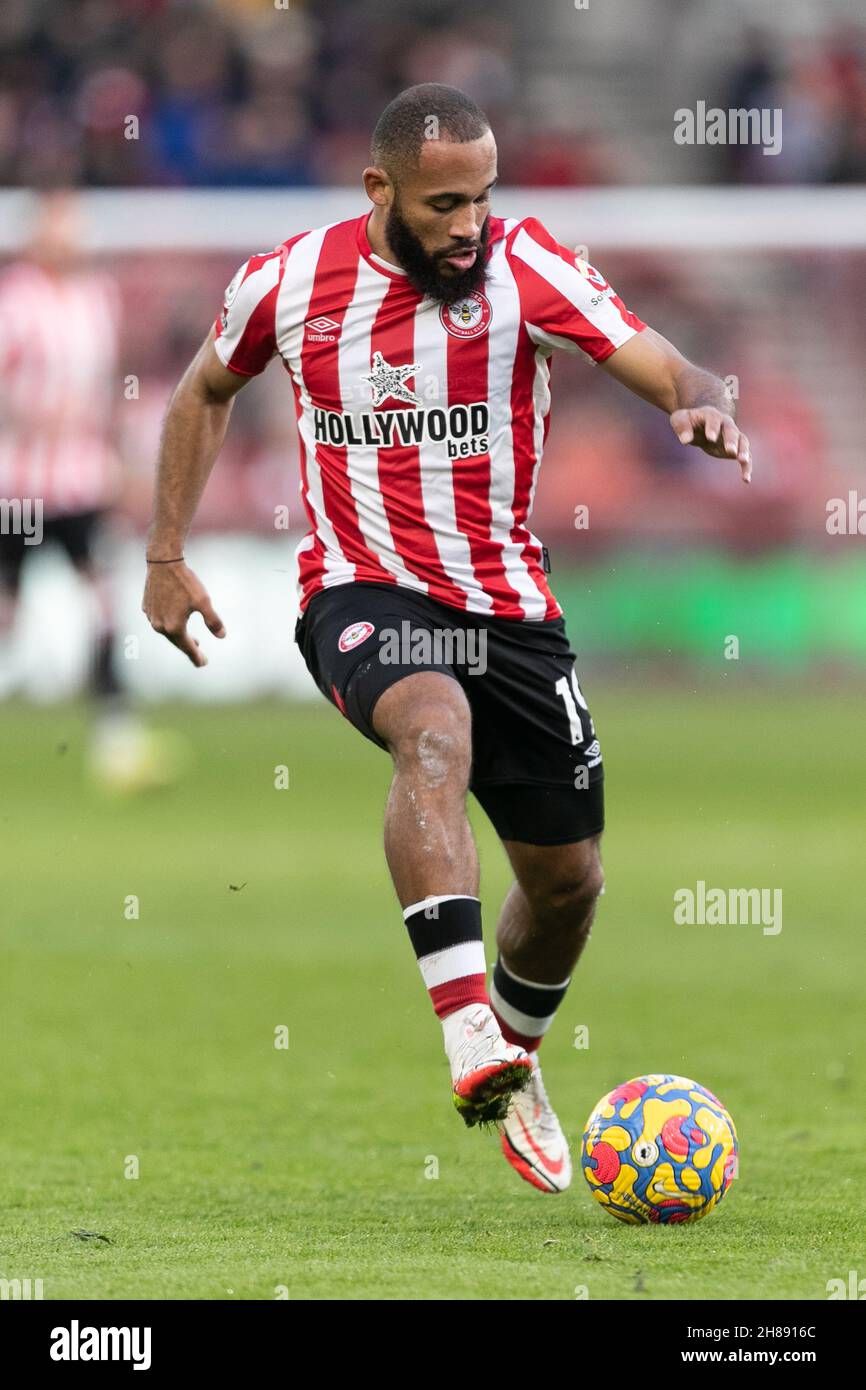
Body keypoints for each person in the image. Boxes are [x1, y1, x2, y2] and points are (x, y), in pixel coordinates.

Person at [143, 84, 751, 1193]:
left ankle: (513, 1055)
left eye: (481, 197)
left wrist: (699, 403)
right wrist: (165, 553)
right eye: (442, 204)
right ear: (379, 190)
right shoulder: (289, 281)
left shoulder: (529, 267)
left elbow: (672, 366)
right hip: (359, 587)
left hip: (508, 606)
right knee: (431, 722)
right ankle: (466, 1025)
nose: (468, 223)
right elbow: (199, 390)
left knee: (567, 883)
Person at [0, 190, 172, 790]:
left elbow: (109, 389)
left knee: (103, 602)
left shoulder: (97, 298)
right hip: (17, 487)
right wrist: (27, 415)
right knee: (7, 613)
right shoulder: (14, 301)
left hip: (82, 483)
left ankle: (115, 736)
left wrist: (123, 461)